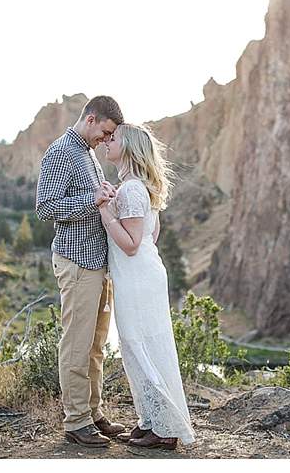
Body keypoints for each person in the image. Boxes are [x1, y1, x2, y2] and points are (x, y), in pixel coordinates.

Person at [35, 95, 126, 447]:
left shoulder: (86, 151)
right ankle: (76, 421)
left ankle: (93, 412)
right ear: (90, 120)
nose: (106, 140)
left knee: (96, 344)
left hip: (96, 262)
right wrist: (93, 200)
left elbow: (88, 198)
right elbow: (45, 208)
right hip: (76, 263)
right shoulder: (61, 153)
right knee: (76, 342)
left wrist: (103, 193)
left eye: (110, 136)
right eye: (104, 132)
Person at [98, 123, 196, 450]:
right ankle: (151, 420)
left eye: (114, 138)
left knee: (141, 347)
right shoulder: (137, 187)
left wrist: (104, 212)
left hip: (138, 278)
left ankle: (165, 430)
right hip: (141, 275)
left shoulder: (132, 190)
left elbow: (130, 244)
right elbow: (151, 237)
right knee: (137, 347)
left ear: (130, 148)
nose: (107, 141)